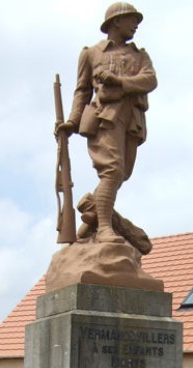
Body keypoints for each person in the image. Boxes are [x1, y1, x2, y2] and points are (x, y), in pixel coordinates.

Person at [56, 2, 157, 243]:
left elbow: (150, 80)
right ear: (116, 22)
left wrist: (119, 82)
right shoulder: (91, 53)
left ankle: (91, 219)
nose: (136, 25)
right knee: (112, 171)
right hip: (104, 117)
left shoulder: (139, 55)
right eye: (132, 20)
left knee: (121, 174)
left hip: (131, 118)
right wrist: (72, 121)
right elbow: (82, 91)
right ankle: (103, 228)